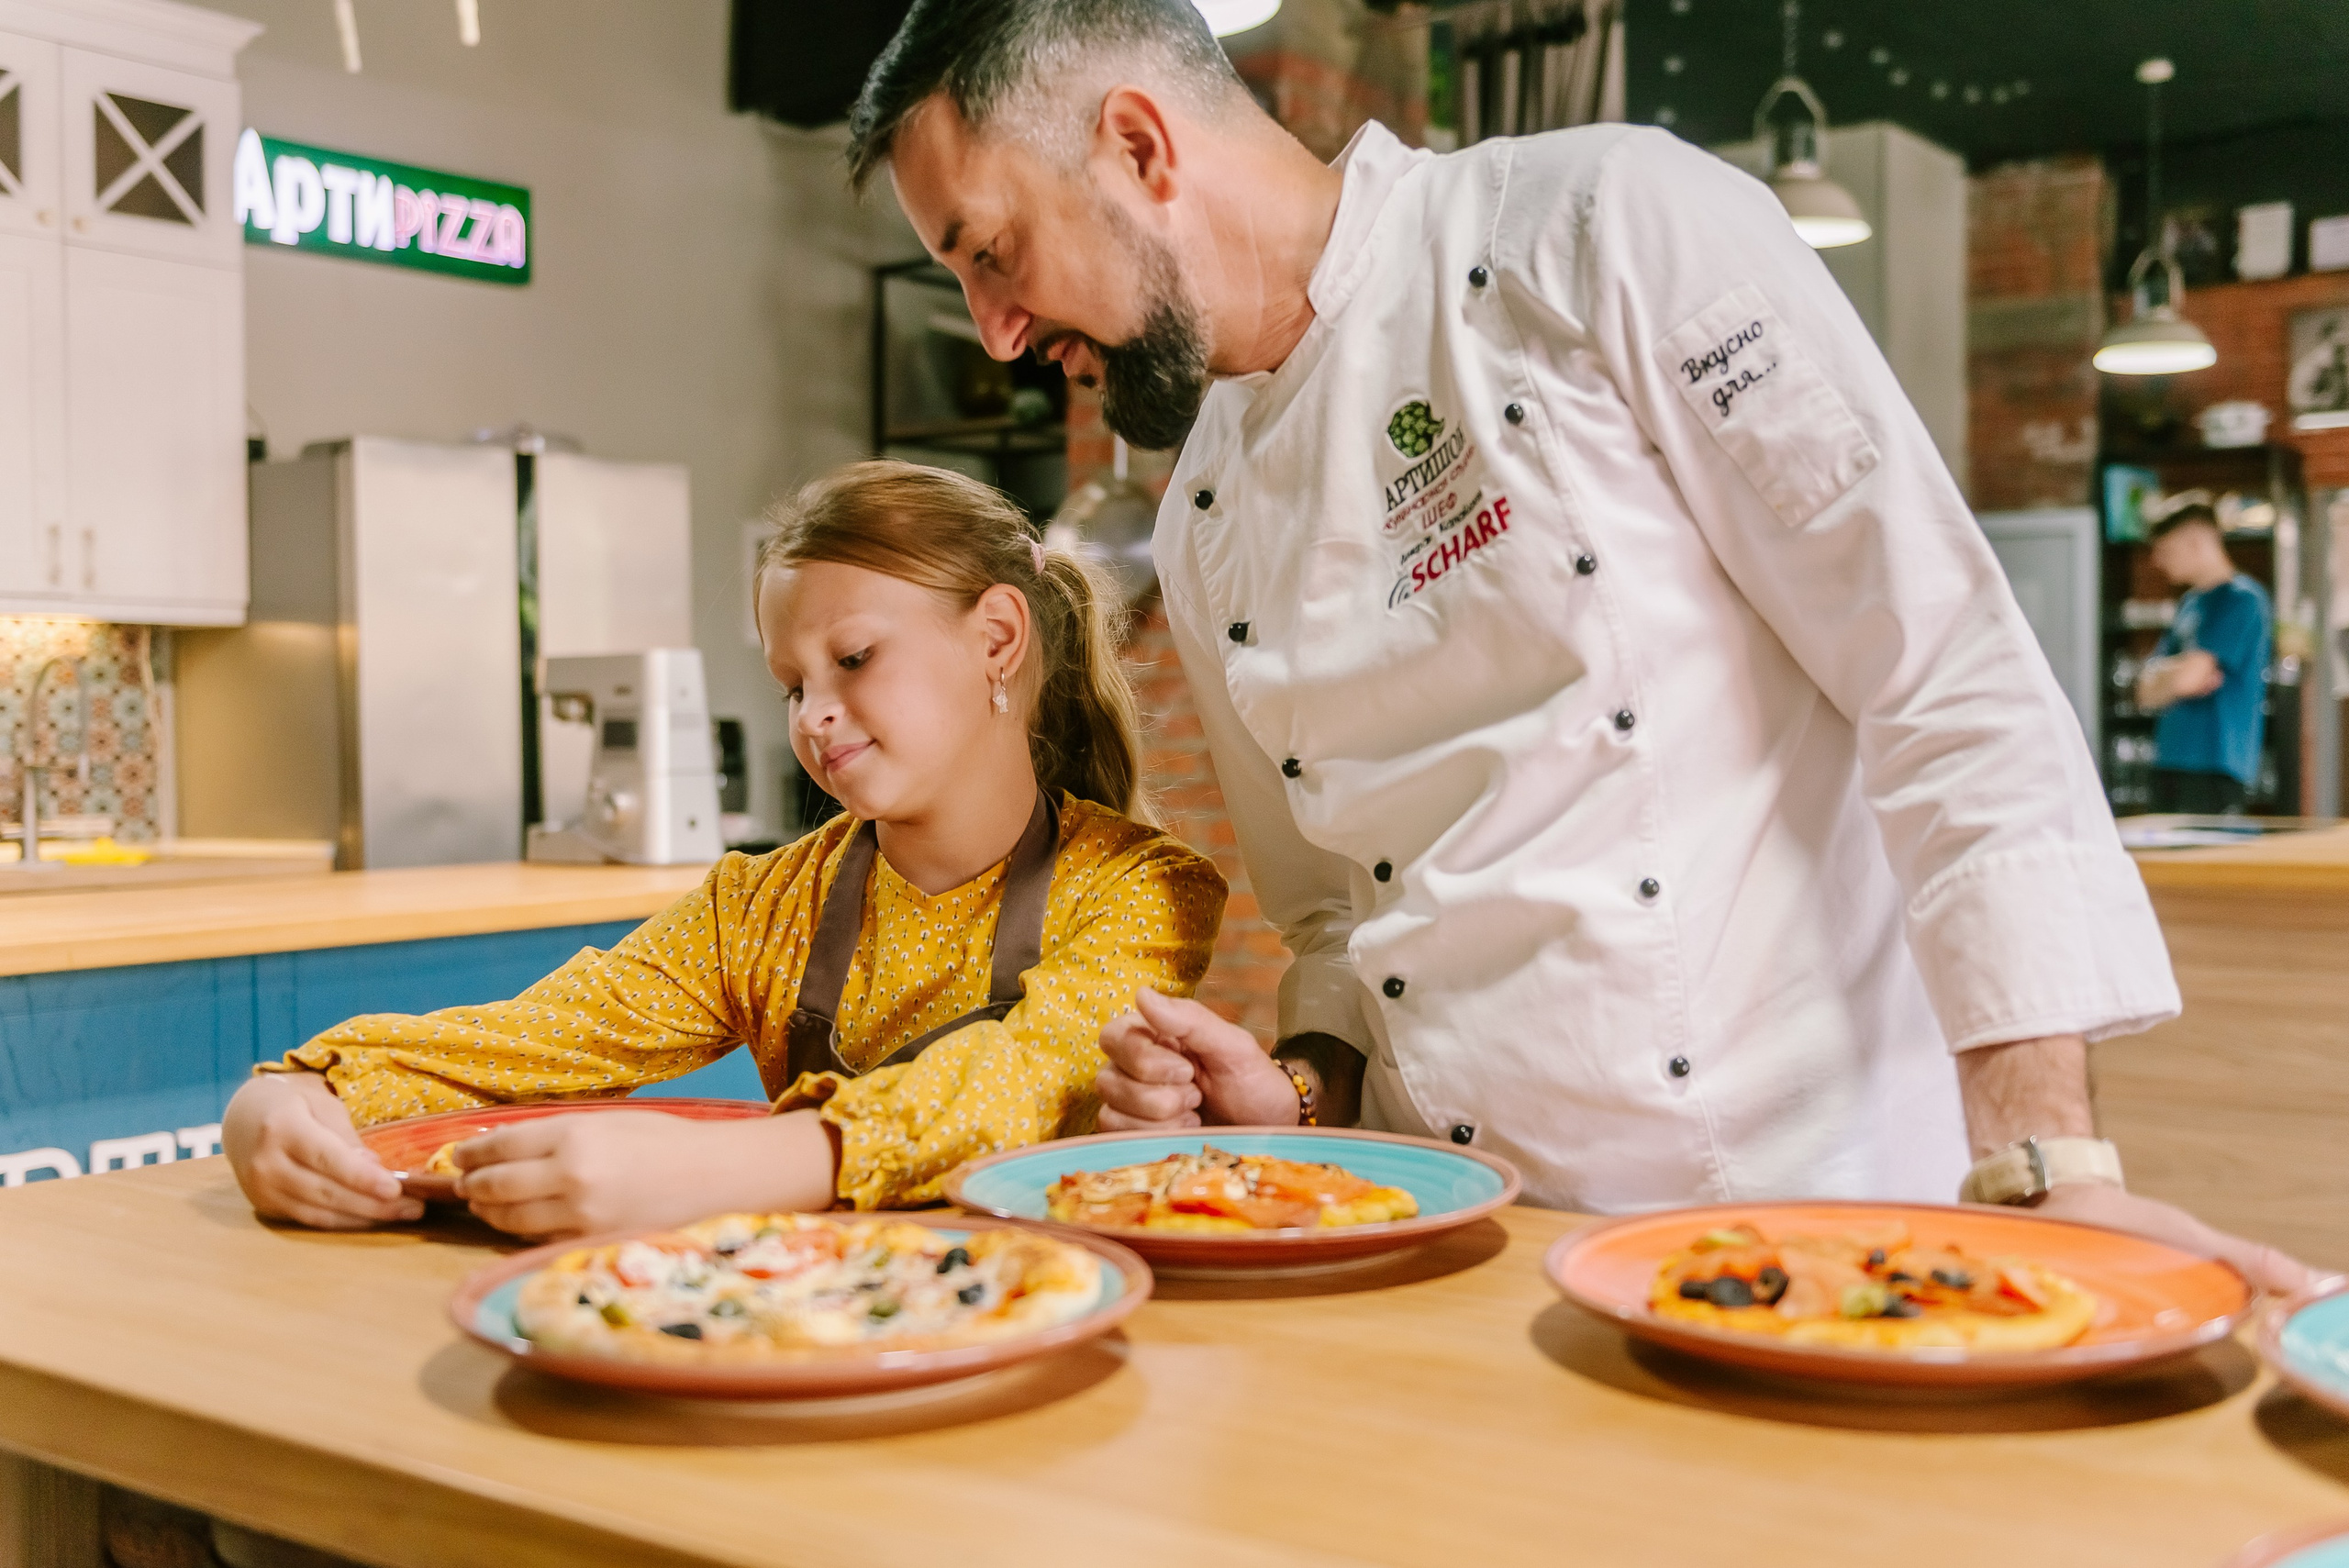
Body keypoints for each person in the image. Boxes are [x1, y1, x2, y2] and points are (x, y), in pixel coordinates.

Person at [847, 0, 2310, 1290]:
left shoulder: (1605, 231)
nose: (994, 331)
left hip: (1815, 1206)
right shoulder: (1206, 512)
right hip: (1472, 1252)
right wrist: (1293, 1090)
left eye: (993, 253)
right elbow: (1339, 925)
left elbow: (1938, 665)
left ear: (1139, 147)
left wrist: (2048, 1170)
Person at [221, 461, 1226, 1236]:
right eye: (794, 684)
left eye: (854, 659)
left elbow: (1030, 1072)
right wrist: (300, 1089)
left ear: (998, 638)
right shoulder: (760, 906)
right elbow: (540, 1035)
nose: (815, 715)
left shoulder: (1138, 888)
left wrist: (716, 1170)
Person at [2134, 502, 2272, 816]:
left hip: (2215, 768)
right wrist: (2179, 673)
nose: (2157, 561)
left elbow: (2186, 679)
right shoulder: (2189, 604)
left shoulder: (2242, 600)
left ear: (2196, 542)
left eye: (2165, 550)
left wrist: (2172, 675)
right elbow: (2144, 690)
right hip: (2168, 764)